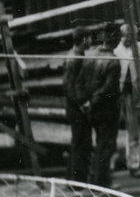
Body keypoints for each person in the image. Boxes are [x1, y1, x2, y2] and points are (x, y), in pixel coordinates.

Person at [83, 22, 123, 188]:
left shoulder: (91, 56)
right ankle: (102, 182)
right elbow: (109, 88)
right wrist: (96, 99)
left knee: (99, 142)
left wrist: (89, 101)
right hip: (107, 108)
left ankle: (95, 178)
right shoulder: (113, 61)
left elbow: (84, 81)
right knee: (106, 145)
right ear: (116, 40)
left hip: (93, 108)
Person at [115, 24, 140, 176]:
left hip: (138, 93)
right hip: (122, 95)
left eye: (131, 36)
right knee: (122, 130)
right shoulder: (116, 51)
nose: (128, 39)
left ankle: (137, 164)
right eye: (126, 36)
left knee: (139, 130)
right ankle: (117, 165)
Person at [63, 27, 92, 182]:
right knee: (81, 143)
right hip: (77, 108)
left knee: (79, 142)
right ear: (84, 39)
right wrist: (82, 103)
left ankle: (73, 178)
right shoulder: (74, 59)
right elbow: (69, 86)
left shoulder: (77, 56)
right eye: (89, 38)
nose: (91, 41)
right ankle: (77, 181)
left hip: (77, 106)